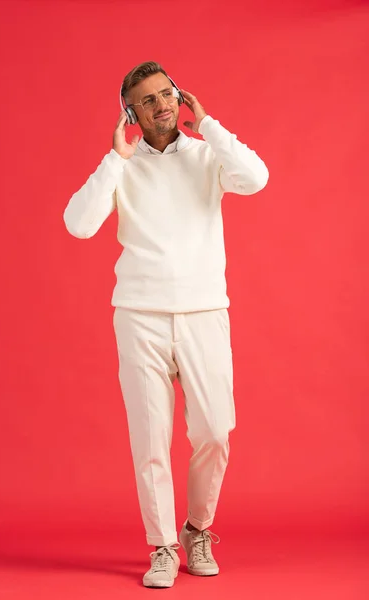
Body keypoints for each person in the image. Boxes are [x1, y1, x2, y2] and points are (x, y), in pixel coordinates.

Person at [63, 61, 269, 588]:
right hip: (139, 316)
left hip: (204, 311)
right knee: (150, 439)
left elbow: (256, 178)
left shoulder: (207, 155)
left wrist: (212, 127)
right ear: (131, 113)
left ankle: (198, 527)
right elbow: (78, 225)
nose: (161, 105)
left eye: (167, 94)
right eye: (147, 100)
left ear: (180, 97)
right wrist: (114, 159)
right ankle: (162, 546)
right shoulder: (123, 165)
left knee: (215, 431)